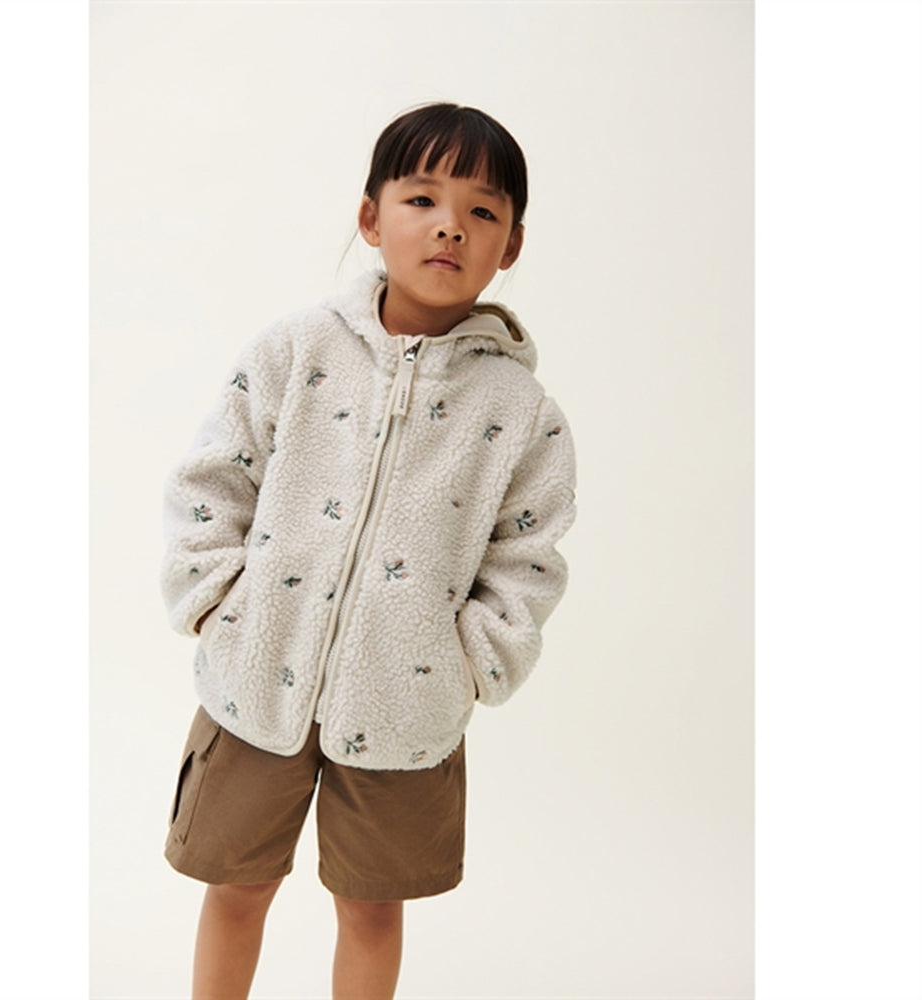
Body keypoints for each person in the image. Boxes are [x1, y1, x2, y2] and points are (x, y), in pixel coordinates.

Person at [160, 101, 577, 1000]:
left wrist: (468, 663)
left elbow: (528, 559)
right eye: (422, 199)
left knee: (372, 910)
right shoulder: (297, 349)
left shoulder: (521, 413)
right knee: (236, 888)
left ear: (510, 245)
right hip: (256, 679)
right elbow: (213, 479)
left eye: (481, 211)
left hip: (406, 707)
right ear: (370, 218)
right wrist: (218, 602)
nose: (449, 226)